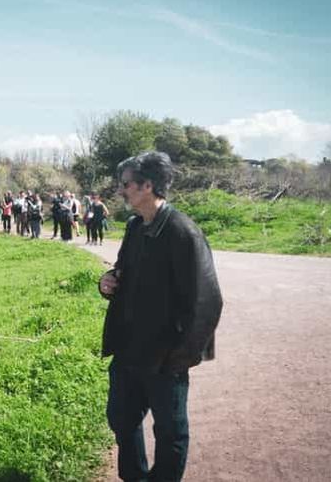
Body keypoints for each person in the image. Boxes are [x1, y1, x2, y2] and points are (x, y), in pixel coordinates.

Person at [98, 151, 223, 482]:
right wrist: (107, 281)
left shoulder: (184, 232)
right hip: (128, 348)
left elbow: (208, 302)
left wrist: (180, 357)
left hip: (164, 355)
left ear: (147, 186)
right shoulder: (135, 227)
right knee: (122, 418)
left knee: (170, 433)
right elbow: (123, 271)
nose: (121, 190)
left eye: (126, 184)